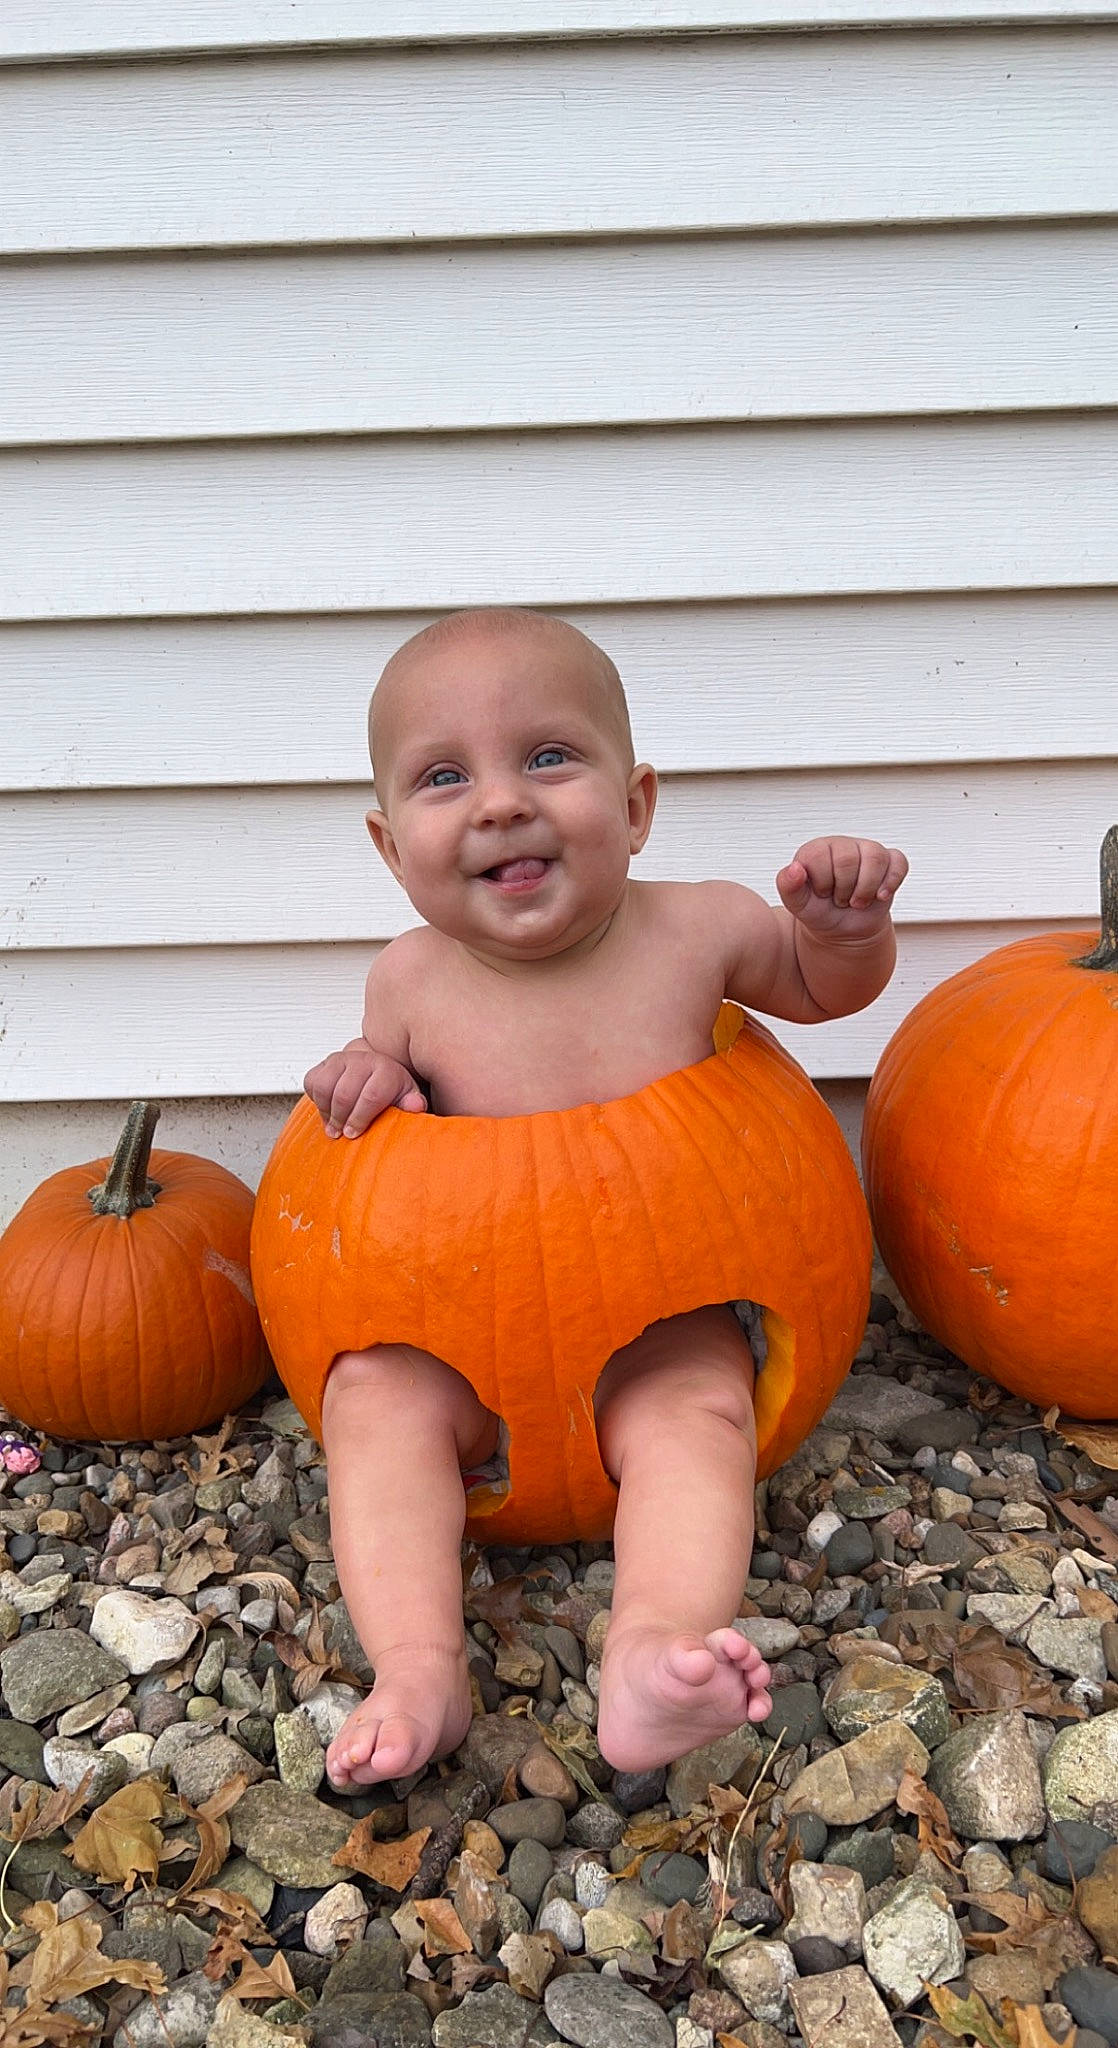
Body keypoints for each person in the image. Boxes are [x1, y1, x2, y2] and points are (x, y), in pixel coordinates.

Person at [303, 606, 908, 1789]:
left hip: (654, 1320)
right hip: (457, 1342)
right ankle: (418, 1661)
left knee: (700, 1412)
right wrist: (370, 1073)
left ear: (633, 805)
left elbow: (821, 991)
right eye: (444, 776)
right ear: (389, 846)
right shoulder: (409, 979)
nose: (498, 802)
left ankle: (652, 1646)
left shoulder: (701, 930)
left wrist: (842, 933)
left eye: (546, 757)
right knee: (369, 1403)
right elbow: (387, 1123)